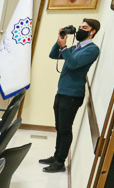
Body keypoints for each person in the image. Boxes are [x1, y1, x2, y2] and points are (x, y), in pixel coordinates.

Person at [42, 19, 100, 173]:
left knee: (65, 129)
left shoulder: (92, 50)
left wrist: (65, 48)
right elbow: (53, 55)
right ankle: (56, 156)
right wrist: (60, 41)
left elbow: (73, 64)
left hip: (73, 95)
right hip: (62, 92)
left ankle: (60, 162)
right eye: (80, 27)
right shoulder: (75, 47)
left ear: (92, 31)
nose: (80, 29)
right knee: (59, 127)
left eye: (84, 27)